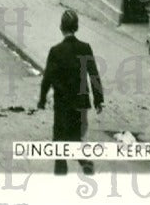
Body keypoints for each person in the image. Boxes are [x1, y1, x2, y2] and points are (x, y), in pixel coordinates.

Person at [37, 9, 105, 176]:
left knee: (59, 143)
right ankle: (85, 162)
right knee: (75, 137)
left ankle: (62, 175)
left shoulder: (55, 51)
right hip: (80, 104)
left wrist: (42, 99)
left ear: (61, 27)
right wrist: (98, 99)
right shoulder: (85, 48)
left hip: (62, 103)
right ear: (76, 27)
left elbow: (48, 78)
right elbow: (94, 74)